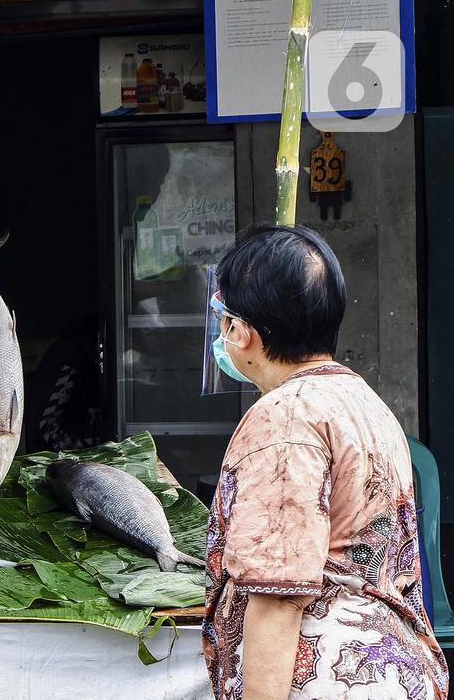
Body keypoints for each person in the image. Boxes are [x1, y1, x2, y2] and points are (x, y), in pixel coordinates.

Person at [203, 226, 448, 699]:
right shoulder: (362, 401)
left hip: (328, 678)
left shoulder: (284, 417)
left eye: (224, 318)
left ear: (244, 332)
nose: (223, 332)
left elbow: (278, 596)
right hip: (391, 672)